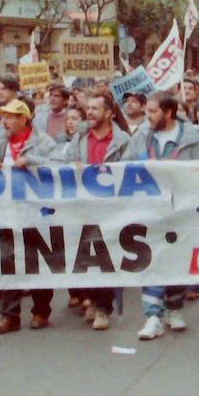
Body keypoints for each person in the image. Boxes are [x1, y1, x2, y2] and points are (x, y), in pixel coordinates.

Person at [128, 92, 199, 340]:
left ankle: (174, 308)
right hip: (151, 210)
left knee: (176, 260)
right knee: (152, 260)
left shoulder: (192, 139)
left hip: (180, 210)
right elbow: (126, 166)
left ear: (169, 112)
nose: (147, 116)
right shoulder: (142, 135)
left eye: (152, 112)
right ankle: (153, 316)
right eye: (147, 112)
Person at [0, 98, 60, 335]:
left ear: (23, 119)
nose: (4, 121)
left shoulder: (43, 142)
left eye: (10, 116)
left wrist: (32, 161)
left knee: (38, 263)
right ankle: (9, 316)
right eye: (4, 116)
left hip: (37, 213)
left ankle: (40, 311)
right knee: (9, 263)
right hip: (7, 212)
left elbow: (59, 165)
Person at [57, 93, 131, 331]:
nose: (89, 113)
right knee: (83, 255)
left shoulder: (122, 140)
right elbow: (64, 164)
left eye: (95, 109)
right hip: (82, 205)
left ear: (109, 113)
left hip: (109, 206)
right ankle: (90, 296)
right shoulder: (78, 138)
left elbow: (128, 170)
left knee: (104, 256)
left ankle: (103, 308)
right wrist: (73, 168)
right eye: (87, 108)